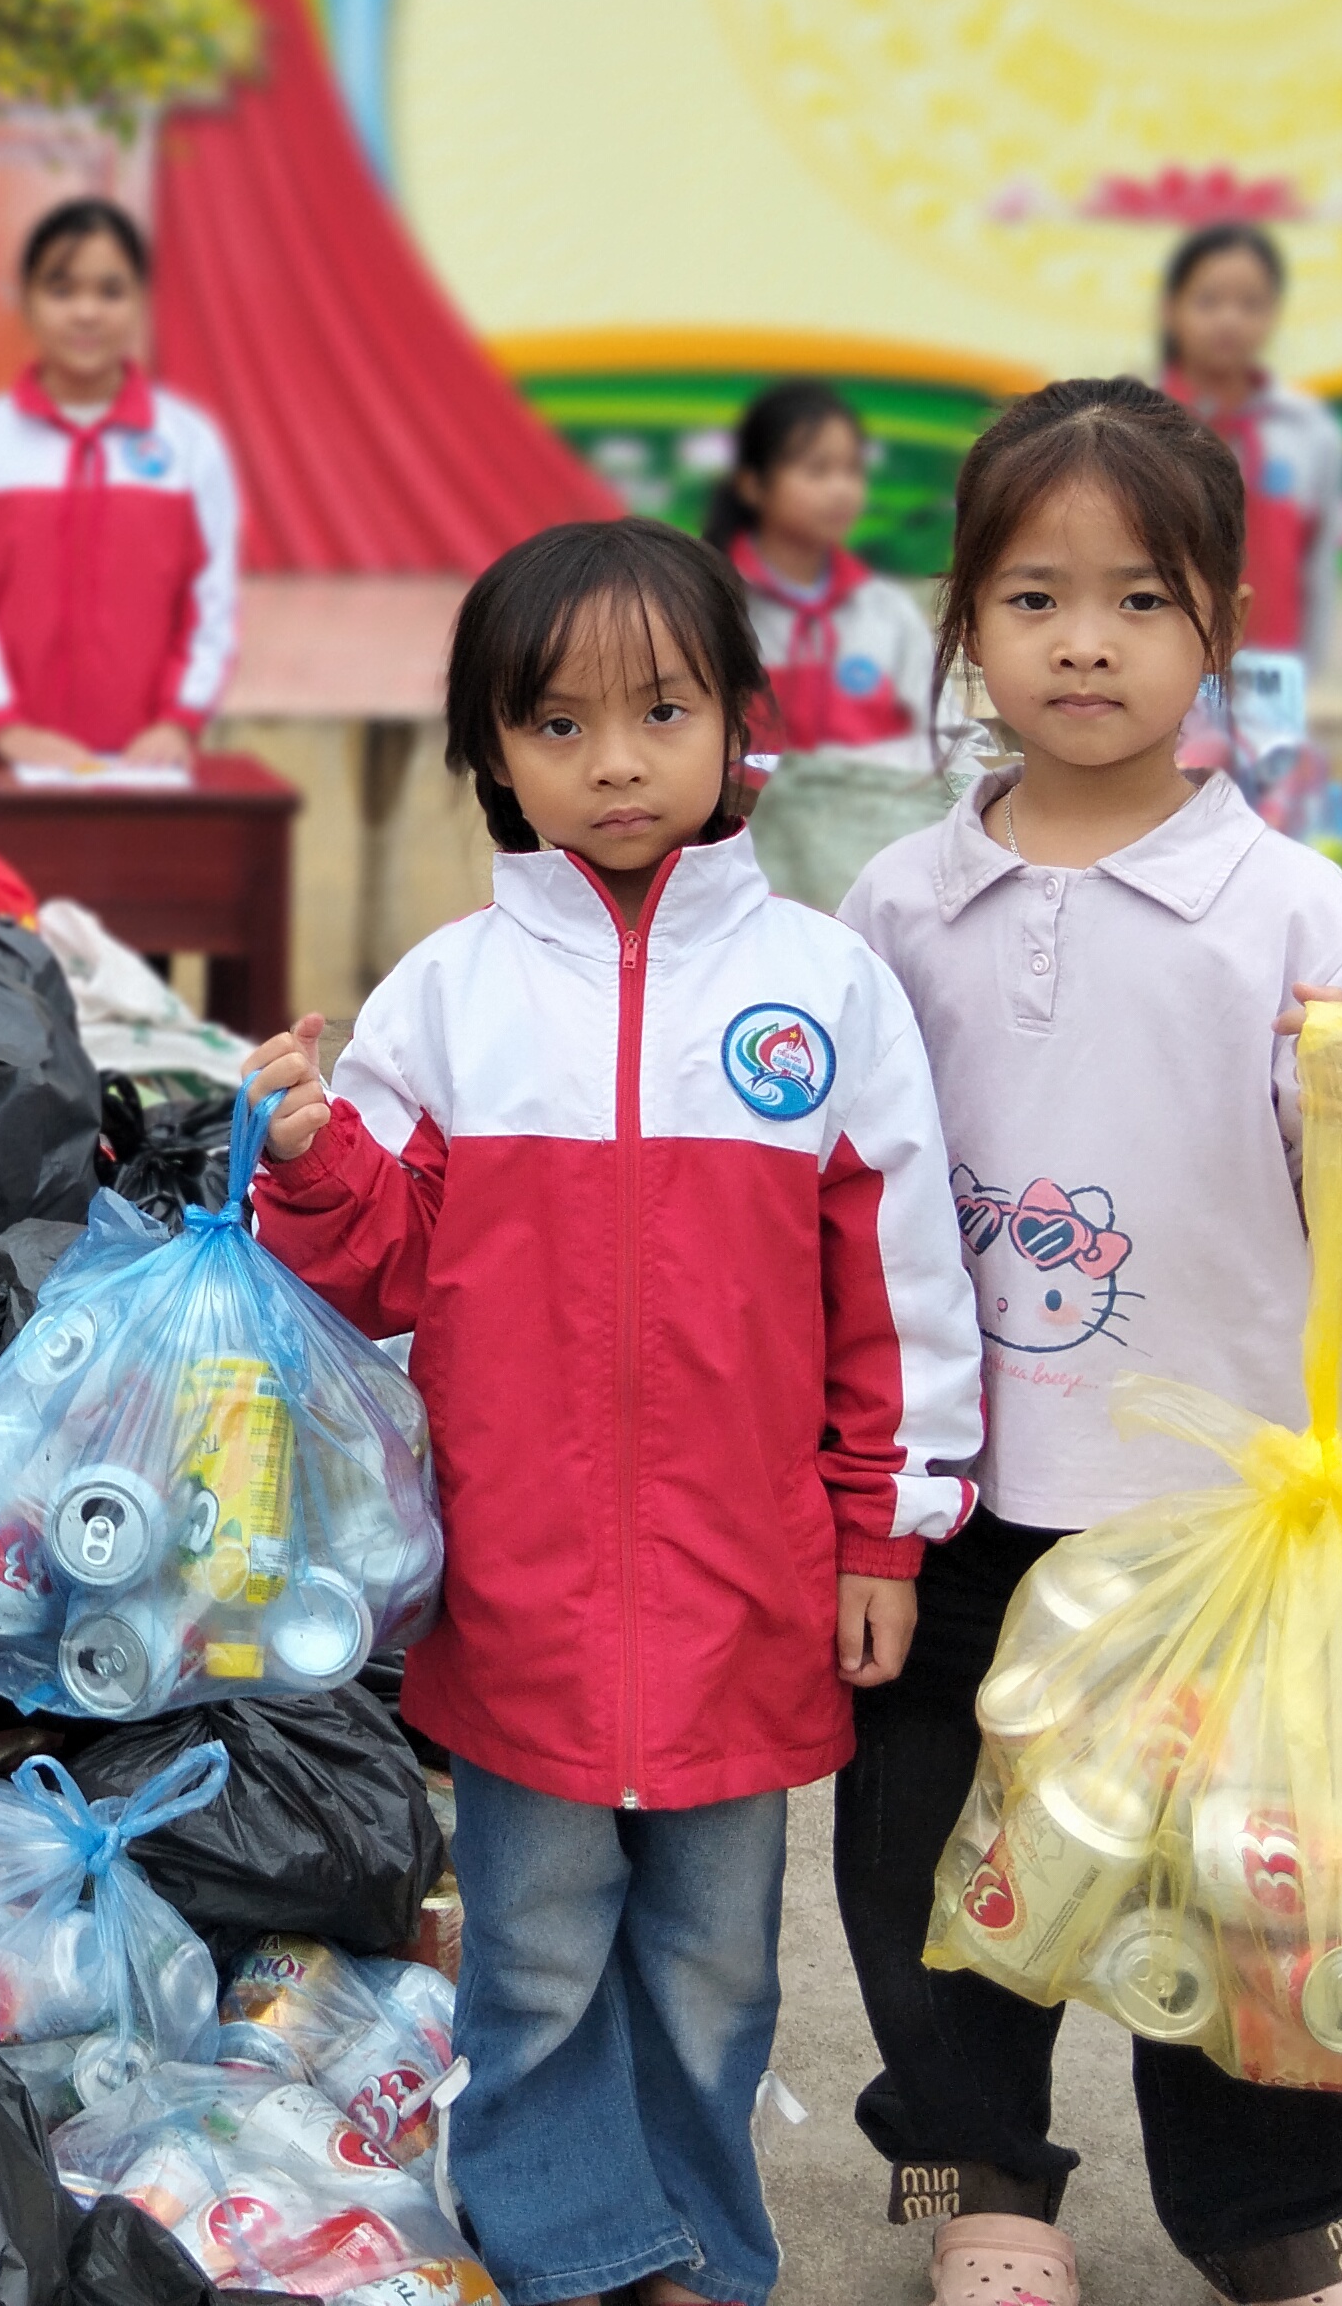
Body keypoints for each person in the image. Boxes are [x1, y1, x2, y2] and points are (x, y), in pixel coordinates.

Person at [237, 517, 979, 2306]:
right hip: (520, 1587)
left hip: (750, 1584)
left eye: (661, 710)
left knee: (719, 1963)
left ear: (737, 719)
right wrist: (315, 1157)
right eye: (558, 724)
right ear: (492, 751)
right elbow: (374, 1273)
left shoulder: (824, 988)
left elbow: (901, 1294)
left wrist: (883, 1532)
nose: (616, 761)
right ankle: (573, 2245)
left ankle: (698, 2244)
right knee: (538, 1955)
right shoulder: (447, 995)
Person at [832, 377, 1342, 2306]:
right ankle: (987, 2182)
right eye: (1034, 596)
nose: (1084, 641)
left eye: (1140, 598)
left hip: (1211, 1506)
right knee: (933, 1858)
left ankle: (1275, 2210)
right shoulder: (897, 902)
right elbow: (843, 1199)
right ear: (966, 624)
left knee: (1239, 1871)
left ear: (1222, 627)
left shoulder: (1289, 904)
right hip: (962, 1495)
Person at [0, 196, 241, 770]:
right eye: (62, 290)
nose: (87, 313)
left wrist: (178, 720)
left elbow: (212, 598)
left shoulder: (190, 447)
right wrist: (4, 725)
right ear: (24, 301)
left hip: (144, 767)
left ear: (142, 301)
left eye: (111, 291)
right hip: (4, 764)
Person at [707, 376, 939, 768]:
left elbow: (945, 735)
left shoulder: (886, 608)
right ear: (752, 485)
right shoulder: (712, 606)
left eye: (852, 470)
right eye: (818, 470)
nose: (842, 490)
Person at [1158, 223, 1342, 671]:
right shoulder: (1139, 424)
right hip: (1163, 669)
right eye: (1208, 300)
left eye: (1251, 303)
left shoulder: (1308, 429)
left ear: (1274, 313)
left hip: (1272, 672)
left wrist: (1309, 673)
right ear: (1171, 310)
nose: (1230, 319)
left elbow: (1317, 566)